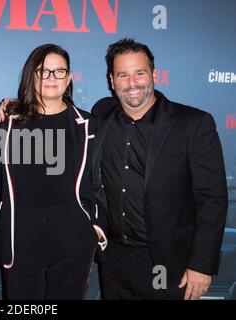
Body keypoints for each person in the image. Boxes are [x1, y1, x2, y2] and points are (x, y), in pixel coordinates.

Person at [91, 38, 228, 300]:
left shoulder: (193, 124)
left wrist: (201, 264)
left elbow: (212, 199)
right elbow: (60, 115)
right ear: (112, 80)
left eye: (139, 73)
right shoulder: (102, 114)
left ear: (153, 74)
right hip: (113, 260)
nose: (132, 83)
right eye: (123, 75)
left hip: (166, 263)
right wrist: (16, 106)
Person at [0, 44, 107, 300]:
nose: (52, 78)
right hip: (20, 237)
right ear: (32, 76)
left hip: (73, 236)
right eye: (44, 71)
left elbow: (104, 180)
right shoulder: (6, 124)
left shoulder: (89, 125)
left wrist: (96, 226)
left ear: (69, 78)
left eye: (59, 72)